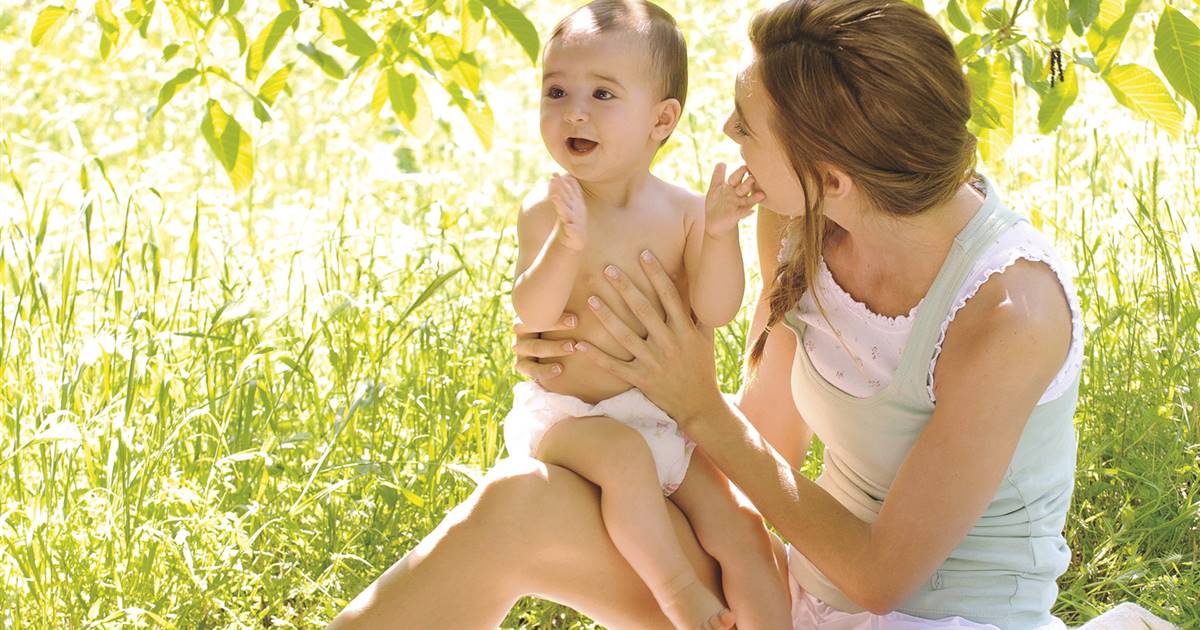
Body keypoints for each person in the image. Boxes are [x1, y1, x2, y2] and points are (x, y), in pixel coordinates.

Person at [328, 0, 1083, 628]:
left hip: (941, 618)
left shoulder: (1014, 313)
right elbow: (767, 452)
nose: (725, 133)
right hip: (796, 599)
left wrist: (697, 402)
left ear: (832, 179)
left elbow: (879, 578)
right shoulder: (799, 223)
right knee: (513, 506)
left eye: (746, 126)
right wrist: (602, 375)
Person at [504, 1, 789, 627]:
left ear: (662, 120)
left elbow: (715, 310)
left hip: (664, 421)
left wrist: (718, 234)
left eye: (602, 93)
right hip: (572, 420)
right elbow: (530, 313)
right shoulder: (550, 211)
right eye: (556, 91)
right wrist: (565, 247)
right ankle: (681, 595)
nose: (573, 110)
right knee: (625, 461)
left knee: (741, 528)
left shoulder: (686, 213)